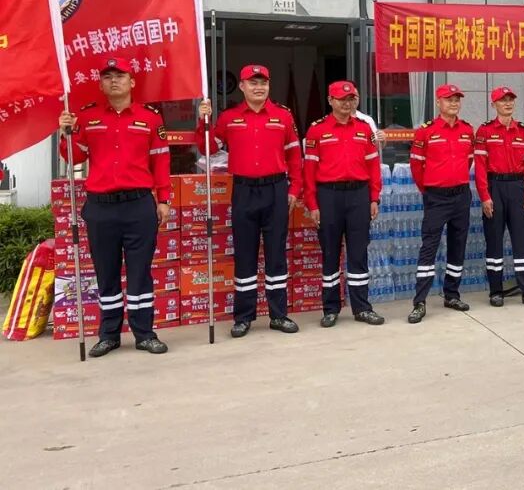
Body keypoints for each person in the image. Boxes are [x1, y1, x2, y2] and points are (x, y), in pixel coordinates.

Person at [58, 58, 171, 356]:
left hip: (138, 207)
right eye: (107, 77)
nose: (114, 81)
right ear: (101, 84)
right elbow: (74, 158)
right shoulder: (88, 118)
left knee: (139, 272)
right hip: (101, 208)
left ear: (132, 82)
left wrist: (164, 199)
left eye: (120, 76)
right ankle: (108, 334)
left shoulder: (150, 118)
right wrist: (65, 132)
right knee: (105, 272)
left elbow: (160, 161)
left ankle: (144, 333)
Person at [197, 64, 303, 338]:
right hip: (243, 190)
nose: (259, 87)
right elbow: (208, 147)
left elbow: (294, 156)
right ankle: (244, 317)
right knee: (244, 255)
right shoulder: (230, 118)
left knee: (276, 255)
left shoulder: (282, 116)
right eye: (252, 82)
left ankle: (279, 315)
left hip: (276, 190)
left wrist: (295, 190)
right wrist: (203, 121)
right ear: (242, 86)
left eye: (263, 83)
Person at [303, 81, 385, 328]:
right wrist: (312, 203)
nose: (346, 103)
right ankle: (330, 308)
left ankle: (362, 307)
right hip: (329, 197)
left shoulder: (363, 129)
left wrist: (374, 198)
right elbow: (308, 171)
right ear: (330, 101)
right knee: (330, 254)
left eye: (350, 99)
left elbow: (373, 167)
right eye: (341, 99)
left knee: (359, 254)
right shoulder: (317, 130)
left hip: (359, 196)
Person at [474, 86, 524, 308]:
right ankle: (495, 291)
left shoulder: (523, 130)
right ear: (494, 104)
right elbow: (480, 167)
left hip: (518, 188)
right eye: (502, 100)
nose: (507, 104)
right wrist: (485, 196)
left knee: (522, 242)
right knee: (494, 243)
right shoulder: (485, 131)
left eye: (510, 100)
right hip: (494, 186)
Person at [407, 83, 474, 323]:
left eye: (457, 99)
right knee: (429, 248)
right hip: (436, 197)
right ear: (438, 102)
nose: (453, 103)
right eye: (449, 99)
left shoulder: (467, 130)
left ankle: (452, 294)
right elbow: (416, 165)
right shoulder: (426, 131)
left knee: (458, 245)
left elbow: (468, 161)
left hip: (461, 195)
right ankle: (420, 301)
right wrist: (429, 190)